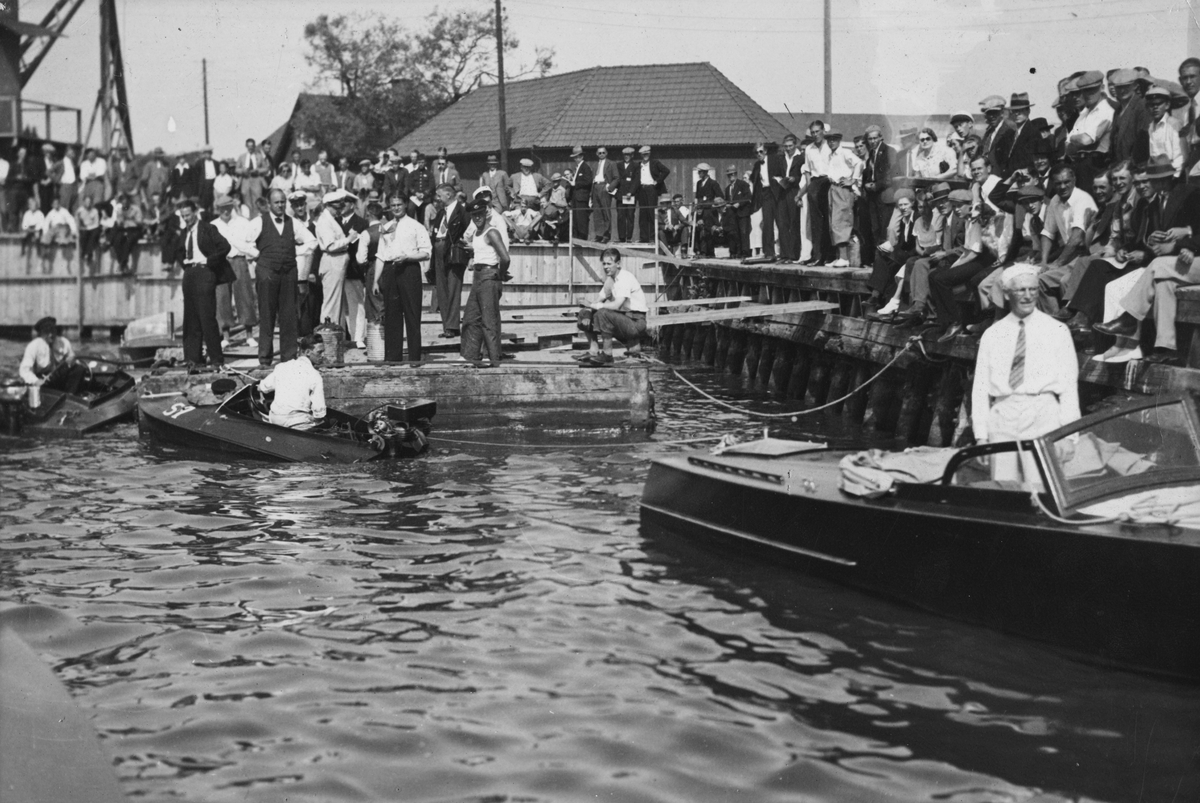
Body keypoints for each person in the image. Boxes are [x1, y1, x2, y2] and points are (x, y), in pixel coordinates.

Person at [971, 263, 1079, 483]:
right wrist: (981, 436)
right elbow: (980, 388)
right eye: (1021, 290)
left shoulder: (1057, 330)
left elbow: (1069, 386)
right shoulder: (993, 334)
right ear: (1007, 294)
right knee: (1003, 487)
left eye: (1033, 289)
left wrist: (1069, 435)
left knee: (1041, 487)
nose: (1028, 296)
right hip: (1003, 414)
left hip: (1043, 413)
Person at [1094, 155, 1200, 365]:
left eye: (1155, 179)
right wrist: (1156, 239)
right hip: (1185, 262)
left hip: (1192, 259)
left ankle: (1129, 318)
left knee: (1157, 265)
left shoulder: (1191, 194)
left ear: (1166, 178)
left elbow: (1194, 229)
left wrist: (1184, 245)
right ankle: (1166, 348)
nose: (1151, 183)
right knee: (1163, 284)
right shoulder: (1158, 200)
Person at [244, 189, 317, 366]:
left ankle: (289, 357)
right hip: (267, 272)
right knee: (267, 315)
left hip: (288, 273)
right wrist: (256, 254)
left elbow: (312, 241)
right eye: (276, 202)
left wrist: (296, 251)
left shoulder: (293, 223)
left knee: (289, 315)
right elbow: (241, 240)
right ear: (269, 204)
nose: (280, 205)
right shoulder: (259, 222)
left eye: (283, 202)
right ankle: (265, 358)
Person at [374, 193, 432, 362]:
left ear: (405, 205)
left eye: (399, 204)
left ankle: (414, 357)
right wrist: (376, 280)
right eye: (393, 205)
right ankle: (393, 357)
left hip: (409, 270)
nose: (396, 208)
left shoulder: (416, 226)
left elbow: (426, 252)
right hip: (390, 270)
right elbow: (381, 255)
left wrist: (407, 257)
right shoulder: (386, 227)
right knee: (392, 315)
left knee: (412, 314)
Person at [178, 198, 234, 369]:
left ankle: (216, 359)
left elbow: (225, 247)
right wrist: (185, 264)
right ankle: (193, 359)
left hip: (205, 272)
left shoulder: (208, 228)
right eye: (183, 216)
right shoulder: (183, 232)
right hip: (190, 273)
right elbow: (179, 251)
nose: (186, 219)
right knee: (190, 318)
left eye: (188, 215)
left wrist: (209, 261)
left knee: (206, 316)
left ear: (195, 212)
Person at [460, 198, 511, 366]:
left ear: (486, 213)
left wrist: (500, 274)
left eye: (480, 214)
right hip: (478, 276)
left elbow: (505, 258)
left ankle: (492, 358)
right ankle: (470, 355)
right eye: (474, 215)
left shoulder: (492, 232)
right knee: (470, 317)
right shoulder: (477, 233)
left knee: (489, 320)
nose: (477, 218)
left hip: (489, 276)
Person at [578, 248, 648, 367]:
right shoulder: (610, 280)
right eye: (604, 264)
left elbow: (616, 305)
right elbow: (598, 300)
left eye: (609, 264)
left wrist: (593, 305)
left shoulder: (625, 278)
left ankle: (607, 355)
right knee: (584, 313)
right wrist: (588, 311)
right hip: (623, 319)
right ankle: (593, 351)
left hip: (636, 322)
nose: (606, 267)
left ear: (618, 264)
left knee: (603, 313)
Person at [211, 196, 259, 346]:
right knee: (222, 297)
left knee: (245, 295)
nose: (226, 211)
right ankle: (226, 337)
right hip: (222, 262)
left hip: (239, 260)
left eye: (228, 208)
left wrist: (250, 258)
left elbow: (252, 243)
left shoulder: (243, 222)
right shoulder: (213, 225)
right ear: (218, 209)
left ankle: (249, 335)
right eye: (222, 208)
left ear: (232, 208)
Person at [258, 336, 327, 430]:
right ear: (307, 352)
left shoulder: (281, 367)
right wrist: (319, 419)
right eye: (319, 352)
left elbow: (263, 387)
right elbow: (319, 410)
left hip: (275, 420)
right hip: (297, 423)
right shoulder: (315, 375)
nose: (323, 355)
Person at [430, 183, 468, 337]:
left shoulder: (462, 211)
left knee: (453, 288)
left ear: (449, 195)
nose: (437, 199)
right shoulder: (441, 213)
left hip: (453, 252)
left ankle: (453, 326)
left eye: (439, 195)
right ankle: (447, 326)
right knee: (441, 289)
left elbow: (468, 231)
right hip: (438, 249)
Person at [19, 316, 85, 395]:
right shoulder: (33, 346)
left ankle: (70, 395)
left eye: (53, 331)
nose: (51, 335)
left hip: (58, 378)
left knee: (79, 369)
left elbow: (73, 359)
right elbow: (24, 370)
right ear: (41, 333)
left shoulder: (64, 342)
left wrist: (72, 361)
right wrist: (36, 381)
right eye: (47, 332)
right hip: (42, 381)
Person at [825, 129, 862, 267]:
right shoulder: (831, 155)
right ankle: (840, 256)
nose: (831, 142)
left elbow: (859, 163)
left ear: (839, 140)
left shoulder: (845, 152)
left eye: (834, 139)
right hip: (833, 188)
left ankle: (844, 258)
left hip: (842, 188)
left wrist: (852, 180)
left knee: (841, 222)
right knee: (834, 222)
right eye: (829, 140)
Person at [859, 125, 895, 267]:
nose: (873, 141)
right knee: (875, 228)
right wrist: (867, 185)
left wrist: (877, 185)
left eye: (875, 138)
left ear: (881, 137)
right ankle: (877, 260)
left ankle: (884, 261)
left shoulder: (889, 151)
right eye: (870, 139)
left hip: (884, 195)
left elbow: (892, 174)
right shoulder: (871, 154)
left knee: (884, 228)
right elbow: (869, 174)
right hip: (873, 197)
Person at [635, 145, 670, 243]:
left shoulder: (655, 163)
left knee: (651, 212)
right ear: (641, 155)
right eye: (643, 154)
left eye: (647, 154)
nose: (645, 156)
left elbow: (666, 171)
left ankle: (652, 237)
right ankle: (643, 237)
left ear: (649, 154)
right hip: (642, 189)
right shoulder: (639, 164)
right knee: (643, 214)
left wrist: (657, 181)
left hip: (651, 189)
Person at [590, 147, 619, 243]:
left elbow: (617, 178)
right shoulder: (595, 165)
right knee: (597, 212)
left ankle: (606, 235)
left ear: (606, 153)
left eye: (603, 152)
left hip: (604, 186)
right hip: (596, 186)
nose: (601, 154)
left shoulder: (611, 163)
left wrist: (609, 188)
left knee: (605, 211)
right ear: (597, 154)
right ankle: (599, 235)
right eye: (599, 153)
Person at [723, 164, 752, 259]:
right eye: (729, 175)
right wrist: (727, 205)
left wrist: (739, 203)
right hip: (733, 214)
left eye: (732, 174)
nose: (731, 176)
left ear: (736, 174)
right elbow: (727, 200)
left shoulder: (742, 184)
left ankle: (745, 252)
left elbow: (748, 196)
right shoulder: (727, 189)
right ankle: (738, 252)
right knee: (735, 233)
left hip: (743, 212)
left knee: (744, 232)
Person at [566, 146, 593, 241]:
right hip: (576, 197)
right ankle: (577, 237)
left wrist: (576, 184)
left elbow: (588, 181)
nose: (576, 159)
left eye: (577, 157)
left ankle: (582, 238)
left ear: (582, 156)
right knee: (576, 219)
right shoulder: (577, 168)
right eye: (575, 157)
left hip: (582, 197)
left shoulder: (585, 167)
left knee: (582, 219)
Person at [237, 139, 270, 217]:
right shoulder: (242, 157)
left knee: (257, 199)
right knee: (246, 200)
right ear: (246, 146)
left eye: (252, 146)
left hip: (256, 179)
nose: (250, 148)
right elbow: (236, 169)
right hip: (245, 180)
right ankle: (249, 219)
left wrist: (258, 170)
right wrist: (243, 171)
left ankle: (257, 217)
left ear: (254, 146)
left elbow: (266, 168)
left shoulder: (259, 156)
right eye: (249, 146)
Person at [616, 148, 640, 243]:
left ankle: (629, 237)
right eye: (625, 155)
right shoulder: (618, 165)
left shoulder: (636, 165)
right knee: (620, 216)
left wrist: (631, 192)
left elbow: (636, 180)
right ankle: (621, 237)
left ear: (632, 155)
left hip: (630, 195)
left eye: (628, 155)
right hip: (621, 194)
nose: (626, 156)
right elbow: (616, 178)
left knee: (630, 216)